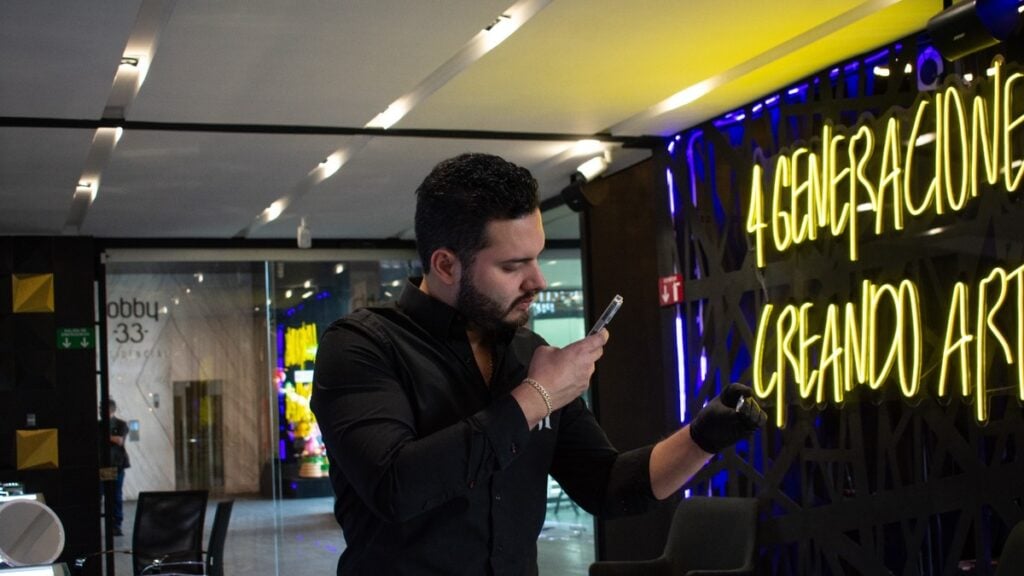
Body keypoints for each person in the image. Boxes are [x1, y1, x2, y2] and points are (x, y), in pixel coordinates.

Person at [310, 153, 766, 575]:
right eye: (513, 266)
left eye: (538, 258)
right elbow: (395, 487)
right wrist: (537, 397)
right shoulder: (361, 346)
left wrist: (703, 438)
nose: (538, 280)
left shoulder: (529, 352)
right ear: (446, 266)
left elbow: (607, 485)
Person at [101, 398, 131, 536]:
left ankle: (116, 524)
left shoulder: (120, 424)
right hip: (103, 464)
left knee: (115, 495)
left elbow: (119, 440)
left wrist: (105, 436)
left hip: (115, 464)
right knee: (101, 494)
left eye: (102, 409)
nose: (100, 411)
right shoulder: (99, 425)